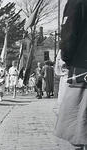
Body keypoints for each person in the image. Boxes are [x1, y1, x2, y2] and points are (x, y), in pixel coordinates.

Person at [54, 1, 87, 149]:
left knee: (80, 130)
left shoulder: (77, 2)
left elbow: (68, 38)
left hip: (82, 71)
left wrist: (67, 59)